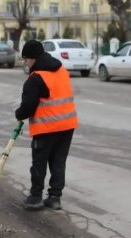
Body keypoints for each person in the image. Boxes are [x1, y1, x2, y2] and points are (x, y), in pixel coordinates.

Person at [15, 40, 78, 210]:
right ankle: (55, 198)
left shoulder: (36, 78)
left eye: (26, 59)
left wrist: (18, 114)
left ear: (33, 58)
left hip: (47, 127)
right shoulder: (61, 70)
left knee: (39, 162)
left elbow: (28, 107)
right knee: (58, 162)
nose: (25, 63)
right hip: (67, 125)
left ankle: (36, 197)